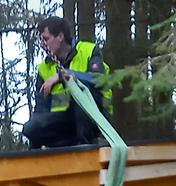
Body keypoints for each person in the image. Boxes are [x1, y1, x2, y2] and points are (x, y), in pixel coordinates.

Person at [21, 17, 112, 149]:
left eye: (46, 39)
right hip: (64, 123)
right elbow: (41, 108)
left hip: (94, 117)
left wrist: (65, 75)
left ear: (60, 37)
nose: (42, 44)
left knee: (79, 94)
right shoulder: (44, 68)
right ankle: (56, 148)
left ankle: (85, 145)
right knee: (31, 128)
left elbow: (98, 79)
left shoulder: (88, 50)